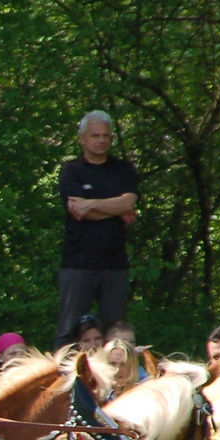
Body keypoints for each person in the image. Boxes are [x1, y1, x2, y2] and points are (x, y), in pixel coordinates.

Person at [55, 110, 138, 348]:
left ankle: (116, 382)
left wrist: (91, 202)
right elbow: (80, 211)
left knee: (115, 331)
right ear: (82, 138)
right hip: (78, 263)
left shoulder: (123, 170)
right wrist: (114, 208)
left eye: (106, 136)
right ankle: (66, 383)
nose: (101, 140)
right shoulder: (72, 171)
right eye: (95, 135)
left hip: (115, 264)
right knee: (68, 330)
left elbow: (129, 202)